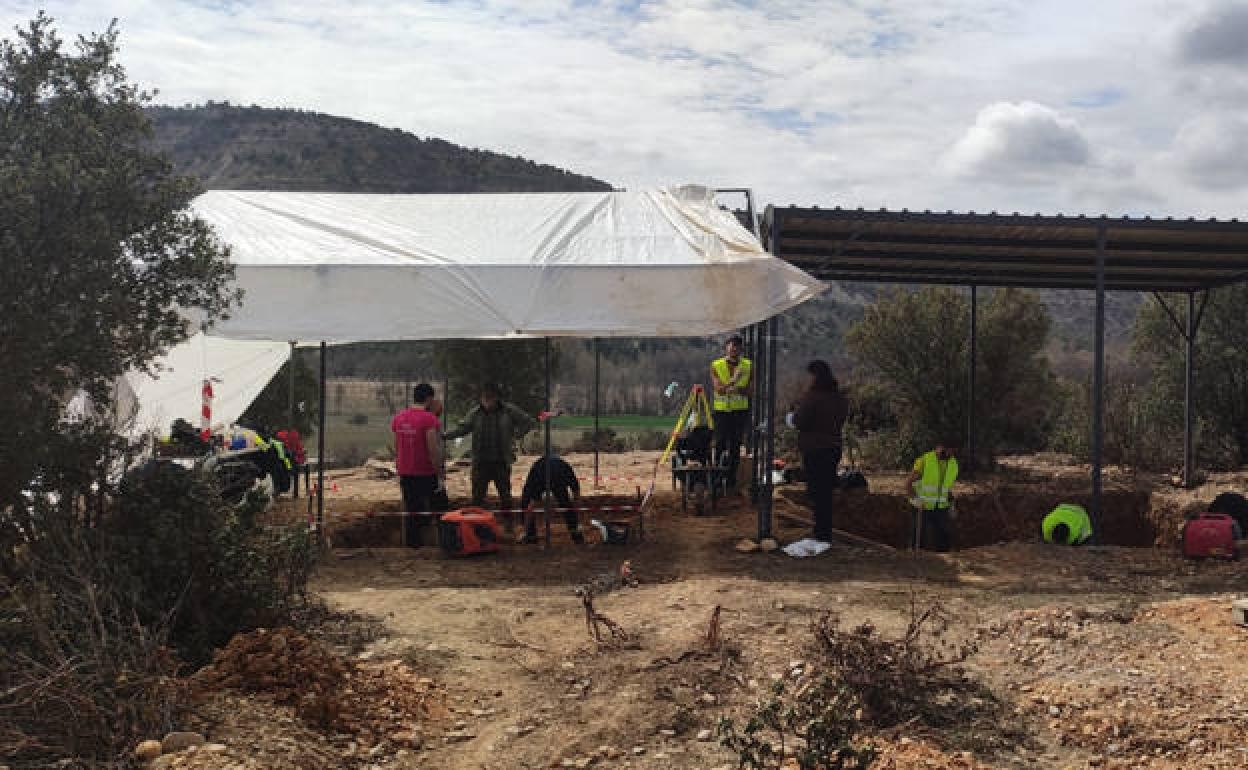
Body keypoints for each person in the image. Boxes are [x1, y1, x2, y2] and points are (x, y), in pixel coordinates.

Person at [443, 383, 536, 513]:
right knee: (477, 498)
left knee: (505, 497)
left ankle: (508, 525)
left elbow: (529, 422)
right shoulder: (475, 413)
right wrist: (444, 436)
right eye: (484, 398)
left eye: (490, 398)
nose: (487, 401)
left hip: (501, 461)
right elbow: (462, 429)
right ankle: (478, 526)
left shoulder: (509, 411)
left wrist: (515, 435)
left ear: (496, 398)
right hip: (480, 462)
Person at [791, 360, 849, 543]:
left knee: (818, 492)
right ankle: (823, 530)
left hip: (815, 449)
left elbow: (800, 421)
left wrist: (793, 417)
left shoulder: (813, 397)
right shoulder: (839, 399)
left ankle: (821, 533)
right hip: (833, 448)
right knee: (825, 491)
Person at [390, 383, 444, 547]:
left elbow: (396, 446)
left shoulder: (398, 418)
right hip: (426, 473)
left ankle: (413, 547)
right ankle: (445, 541)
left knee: (412, 510)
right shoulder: (429, 419)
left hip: (406, 472)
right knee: (440, 508)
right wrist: (440, 474)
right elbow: (433, 449)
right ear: (428, 399)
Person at [709, 334, 752, 493]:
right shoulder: (716, 365)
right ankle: (717, 480)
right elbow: (719, 389)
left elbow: (750, 391)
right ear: (726, 347)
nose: (734, 349)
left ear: (741, 349)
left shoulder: (748, 365)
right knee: (720, 443)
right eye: (731, 346)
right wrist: (733, 381)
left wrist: (738, 389)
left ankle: (731, 481)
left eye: (737, 346)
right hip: (721, 411)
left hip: (740, 411)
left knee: (735, 446)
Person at [905, 439, 960, 552]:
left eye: (952, 451)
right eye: (948, 450)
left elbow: (945, 487)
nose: (950, 454)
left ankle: (944, 557)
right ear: (939, 447)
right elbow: (908, 483)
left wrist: (951, 504)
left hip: (941, 506)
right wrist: (915, 499)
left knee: (944, 534)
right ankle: (916, 556)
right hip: (922, 505)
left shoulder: (953, 464)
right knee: (919, 535)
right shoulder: (925, 460)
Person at [518, 454, 584, 545]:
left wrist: (578, 520)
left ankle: (529, 536)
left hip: (555, 471)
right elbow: (531, 506)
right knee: (565, 503)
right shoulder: (539, 476)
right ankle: (576, 533)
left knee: (565, 503)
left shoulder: (565, 472)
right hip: (541, 471)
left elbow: (576, 495)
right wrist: (577, 520)